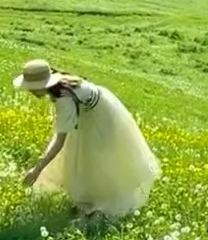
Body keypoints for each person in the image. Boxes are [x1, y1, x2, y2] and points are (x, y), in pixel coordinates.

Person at [14, 59, 160, 221]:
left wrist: (37, 169)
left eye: (33, 87)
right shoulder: (59, 85)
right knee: (79, 155)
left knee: (97, 159)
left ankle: (99, 202)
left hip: (100, 117)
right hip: (90, 111)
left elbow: (59, 141)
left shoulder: (64, 100)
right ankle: (84, 200)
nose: (30, 91)